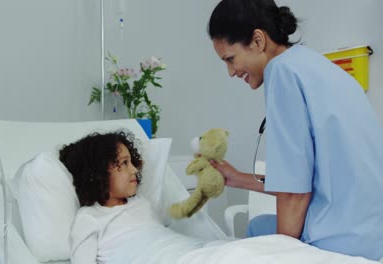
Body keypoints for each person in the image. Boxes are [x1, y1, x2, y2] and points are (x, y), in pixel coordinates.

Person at [207, 0, 383, 261]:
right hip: (371, 235)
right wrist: (236, 178)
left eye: (230, 59)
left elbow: (294, 192)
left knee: (256, 232)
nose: (231, 72)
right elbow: (311, 179)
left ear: (257, 40)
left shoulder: (282, 72)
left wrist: (283, 256)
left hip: (339, 242)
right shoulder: (318, 67)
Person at [59, 131, 224, 264]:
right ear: (98, 173)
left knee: (237, 251)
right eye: (124, 163)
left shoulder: (142, 203)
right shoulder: (89, 218)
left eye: (131, 162)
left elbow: (160, 239)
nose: (134, 170)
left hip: (193, 250)